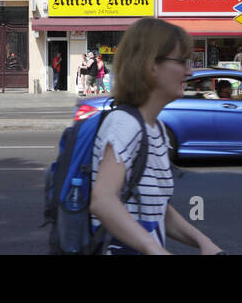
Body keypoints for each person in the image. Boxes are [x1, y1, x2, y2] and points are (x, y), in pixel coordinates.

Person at [89, 17, 224, 256]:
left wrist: (203, 242)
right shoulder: (124, 125)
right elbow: (102, 200)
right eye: (182, 61)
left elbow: (157, 208)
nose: (190, 70)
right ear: (151, 65)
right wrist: (154, 249)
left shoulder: (157, 129)